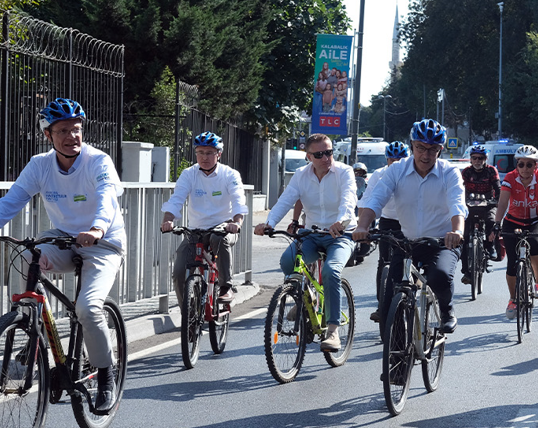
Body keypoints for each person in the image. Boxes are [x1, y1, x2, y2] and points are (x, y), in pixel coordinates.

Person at [0, 98, 125, 412]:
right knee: (29, 257)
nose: (72, 136)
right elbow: (13, 199)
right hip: (63, 239)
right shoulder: (40, 164)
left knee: (88, 307)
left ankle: (107, 375)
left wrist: (97, 228)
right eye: (62, 131)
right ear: (47, 135)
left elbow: (107, 196)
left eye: (76, 129)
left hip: (103, 242)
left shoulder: (98, 161)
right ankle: (34, 328)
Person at [353, 118, 466, 333]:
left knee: (440, 276)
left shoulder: (449, 172)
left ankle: (446, 310)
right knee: (389, 298)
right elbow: (376, 199)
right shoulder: (397, 170)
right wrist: (362, 227)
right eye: (420, 148)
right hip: (407, 242)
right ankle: (396, 348)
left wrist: (457, 231)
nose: (425, 155)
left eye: (432, 149)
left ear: (440, 150)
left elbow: (457, 204)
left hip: (442, 242)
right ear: (412, 145)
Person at [254, 133, 356, 352]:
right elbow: (286, 200)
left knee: (331, 271)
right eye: (319, 155)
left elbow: (349, 199)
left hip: (340, 235)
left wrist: (340, 221)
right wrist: (269, 223)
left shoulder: (344, 172)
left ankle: (332, 330)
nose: (326, 158)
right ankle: (305, 299)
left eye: (329, 152)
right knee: (288, 261)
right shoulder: (301, 175)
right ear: (308, 156)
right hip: (311, 234)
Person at [160, 131, 247, 308]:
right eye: (200, 152)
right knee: (179, 272)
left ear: (218, 154)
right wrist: (168, 220)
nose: (204, 157)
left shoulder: (230, 174)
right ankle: (187, 315)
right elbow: (176, 199)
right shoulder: (189, 174)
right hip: (196, 230)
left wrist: (236, 223)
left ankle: (226, 287)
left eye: (209, 153)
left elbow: (238, 200)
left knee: (218, 239)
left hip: (223, 228)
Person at [492, 145, 538, 319]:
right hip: (513, 221)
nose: (525, 168)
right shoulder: (510, 177)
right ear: (516, 165)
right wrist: (497, 223)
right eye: (521, 164)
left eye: (529, 165)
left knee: (535, 244)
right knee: (512, 262)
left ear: (536, 166)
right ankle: (513, 299)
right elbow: (503, 203)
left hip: (535, 220)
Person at [366, 141, 410, 322]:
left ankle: (410, 291)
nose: (396, 162)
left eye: (400, 159)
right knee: (384, 261)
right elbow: (368, 200)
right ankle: (381, 304)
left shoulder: (412, 174)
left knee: (409, 258)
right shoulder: (379, 174)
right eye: (392, 159)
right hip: (387, 220)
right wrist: (365, 226)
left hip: (408, 222)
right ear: (387, 159)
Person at [461, 144, 502, 285]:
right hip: (469, 204)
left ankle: (490, 246)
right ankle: (466, 270)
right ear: (470, 159)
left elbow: (498, 188)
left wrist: (497, 200)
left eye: (480, 158)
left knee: (491, 221)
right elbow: (460, 188)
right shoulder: (466, 172)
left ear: (485, 159)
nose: (477, 161)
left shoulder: (491, 170)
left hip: (487, 204)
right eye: (474, 158)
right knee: (464, 236)